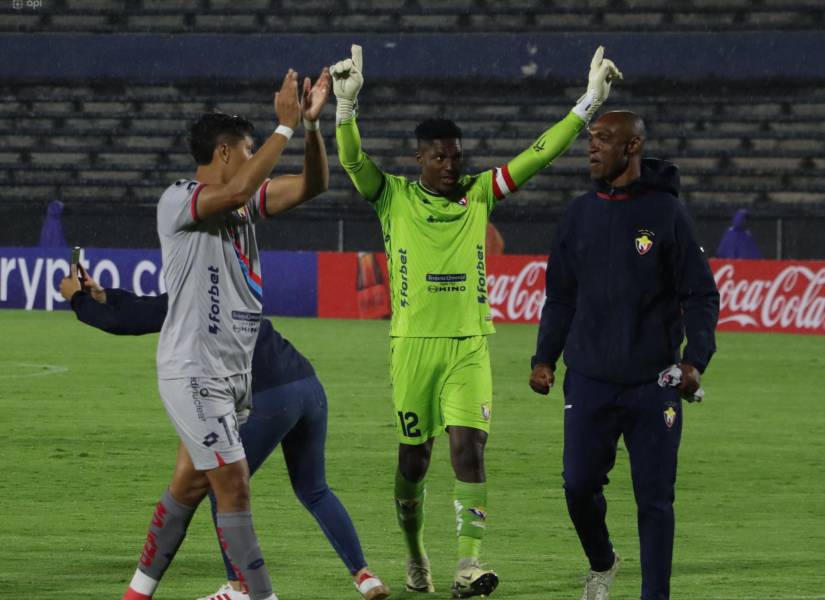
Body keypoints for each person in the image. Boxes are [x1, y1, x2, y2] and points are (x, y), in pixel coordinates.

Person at [330, 44, 622, 598]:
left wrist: (587, 105)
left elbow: (535, 156)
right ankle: (416, 552)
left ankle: (468, 564)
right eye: (439, 157)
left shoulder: (479, 193)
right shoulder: (392, 196)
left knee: (470, 449)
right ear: (419, 158)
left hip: (469, 343)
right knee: (413, 461)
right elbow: (352, 162)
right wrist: (346, 111)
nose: (450, 165)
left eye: (456, 156)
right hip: (413, 346)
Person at [58, 270, 390, 600]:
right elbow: (149, 307)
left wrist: (78, 299)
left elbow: (128, 320)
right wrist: (103, 296)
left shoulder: (192, 300)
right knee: (314, 489)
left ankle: (239, 588)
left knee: (222, 484)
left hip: (268, 396)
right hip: (306, 386)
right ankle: (365, 576)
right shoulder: (233, 288)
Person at [119, 69, 325, 600]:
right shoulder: (179, 200)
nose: (258, 154)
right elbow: (235, 190)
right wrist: (282, 129)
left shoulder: (242, 202)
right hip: (194, 372)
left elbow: (312, 186)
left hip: (232, 378)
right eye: (251, 148)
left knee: (188, 485)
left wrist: (311, 129)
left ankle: (137, 593)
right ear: (228, 153)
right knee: (233, 483)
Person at [529, 111, 720, 600]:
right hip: (589, 380)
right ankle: (602, 560)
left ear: (632, 147)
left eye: (604, 139)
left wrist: (695, 360)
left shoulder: (667, 215)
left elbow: (700, 295)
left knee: (655, 501)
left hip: (654, 384)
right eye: (590, 139)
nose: (591, 148)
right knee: (577, 485)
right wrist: (545, 356)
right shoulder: (577, 215)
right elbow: (561, 297)